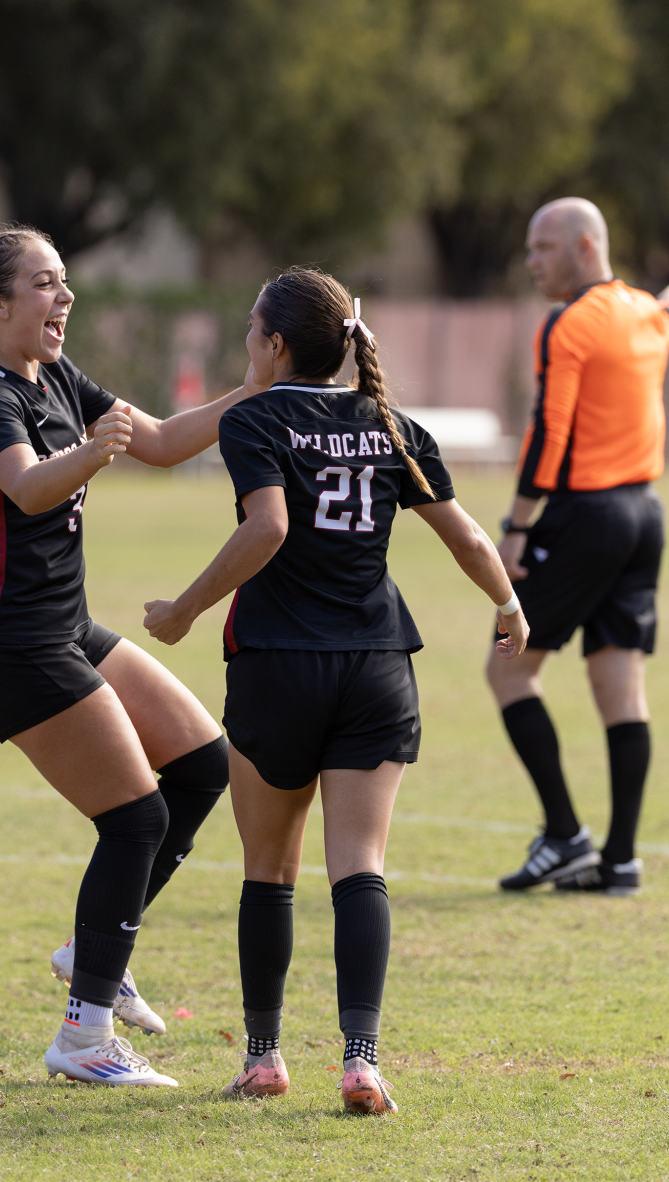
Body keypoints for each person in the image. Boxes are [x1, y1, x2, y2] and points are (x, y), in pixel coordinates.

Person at [142, 269, 528, 1115]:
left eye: (252, 329)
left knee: (268, 869)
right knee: (360, 867)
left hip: (279, 663)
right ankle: (360, 1061)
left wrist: (183, 608)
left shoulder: (253, 416)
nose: (248, 341)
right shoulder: (391, 423)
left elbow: (268, 526)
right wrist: (505, 602)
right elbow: (464, 534)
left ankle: (265, 1055)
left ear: (276, 344)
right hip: (374, 664)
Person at [0, 226, 243, 1088]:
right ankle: (84, 1037)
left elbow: (157, 440)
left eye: (64, 282)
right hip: (3, 642)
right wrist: (92, 450)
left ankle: (92, 951)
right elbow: (27, 483)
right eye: (46, 284)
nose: (65, 298)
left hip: (61, 625)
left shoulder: (50, 375)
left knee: (201, 763)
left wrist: (258, 392)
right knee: (134, 818)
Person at [487, 198, 669, 896]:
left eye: (542, 247)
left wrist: (516, 527)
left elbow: (549, 428)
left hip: (586, 514)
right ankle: (621, 858)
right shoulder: (645, 314)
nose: (530, 261)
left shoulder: (568, 323)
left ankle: (566, 833)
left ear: (583, 246)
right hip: (645, 516)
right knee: (619, 689)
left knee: (506, 668)